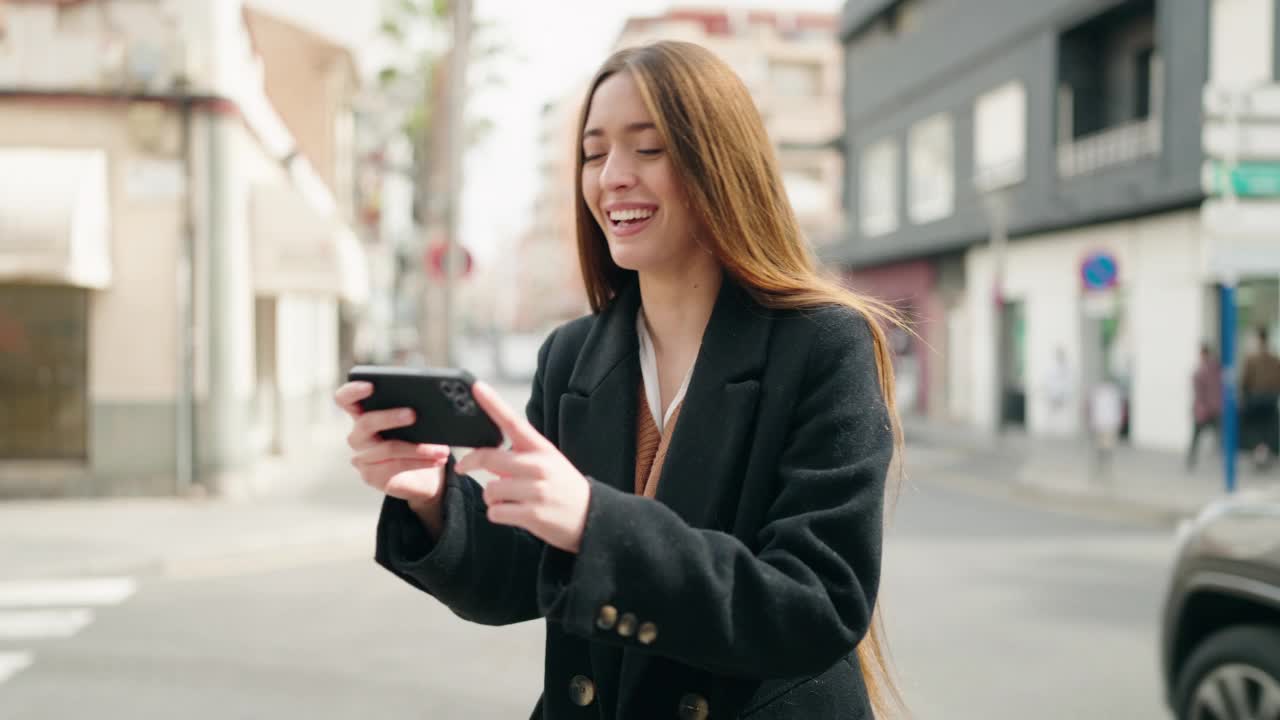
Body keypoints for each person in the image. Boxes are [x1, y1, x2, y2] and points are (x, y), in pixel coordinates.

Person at [334, 41, 904, 719]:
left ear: (720, 162)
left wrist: (593, 523)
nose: (612, 177)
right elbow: (524, 575)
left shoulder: (823, 344)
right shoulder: (571, 356)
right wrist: (435, 499)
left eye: (648, 147)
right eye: (594, 152)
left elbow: (815, 606)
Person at [1241, 326, 1280, 469]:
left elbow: (1245, 380)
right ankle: (1265, 451)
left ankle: (1259, 451)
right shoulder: (1274, 358)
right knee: (1268, 426)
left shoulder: (1252, 359)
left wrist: (1244, 395)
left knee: (1254, 427)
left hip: (1256, 398)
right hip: (1271, 398)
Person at [1186, 343, 1222, 471]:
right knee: (1218, 434)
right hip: (1215, 408)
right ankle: (1221, 459)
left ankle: (1191, 460)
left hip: (1204, 410)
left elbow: (1198, 392)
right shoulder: (1217, 369)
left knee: (1196, 436)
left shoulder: (1200, 371)